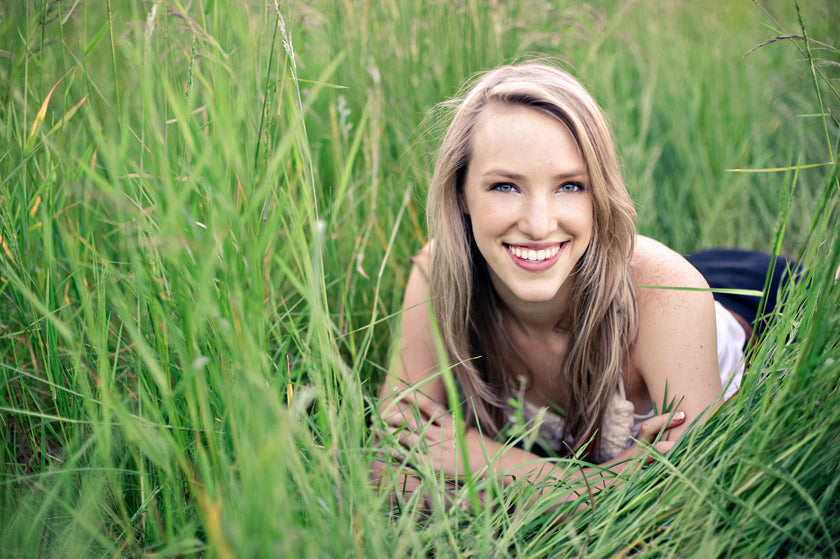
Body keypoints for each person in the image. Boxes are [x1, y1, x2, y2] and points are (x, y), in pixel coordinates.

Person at [376, 62, 792, 506]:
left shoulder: (669, 293)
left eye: (571, 186)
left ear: (600, 194)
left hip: (760, 301)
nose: (538, 225)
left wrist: (495, 463)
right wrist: (614, 482)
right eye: (505, 187)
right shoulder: (438, 276)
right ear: (461, 192)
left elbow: (691, 495)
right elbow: (386, 465)